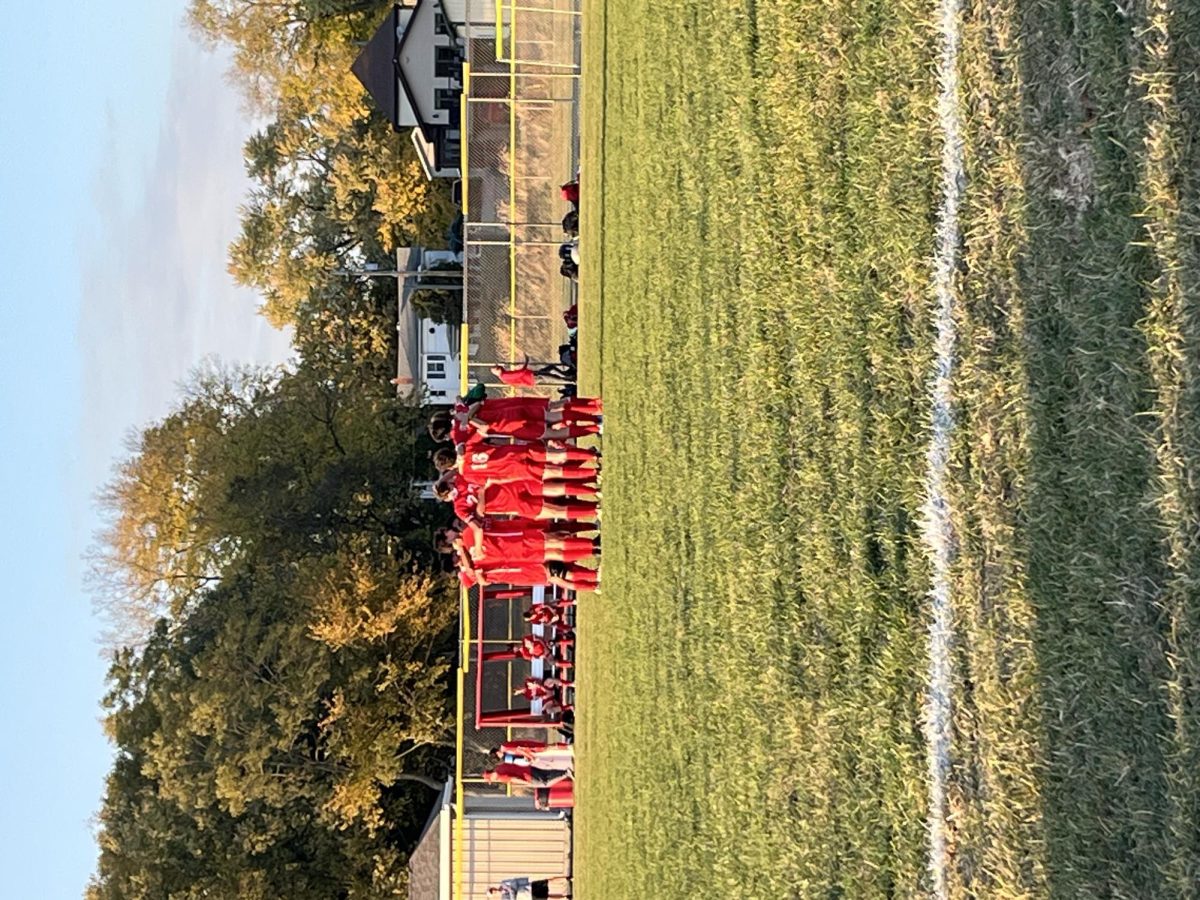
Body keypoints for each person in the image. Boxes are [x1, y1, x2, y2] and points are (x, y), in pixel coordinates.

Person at [487, 875, 572, 900]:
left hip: (529, 887)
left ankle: (566, 879)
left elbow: (514, 882)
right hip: (527, 897)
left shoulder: (503, 883)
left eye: (492, 890)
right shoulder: (504, 898)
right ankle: (565, 897)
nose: (494, 891)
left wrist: (512, 890)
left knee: (548, 881)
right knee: (547, 897)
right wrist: (511, 890)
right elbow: (513, 897)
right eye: (492, 893)